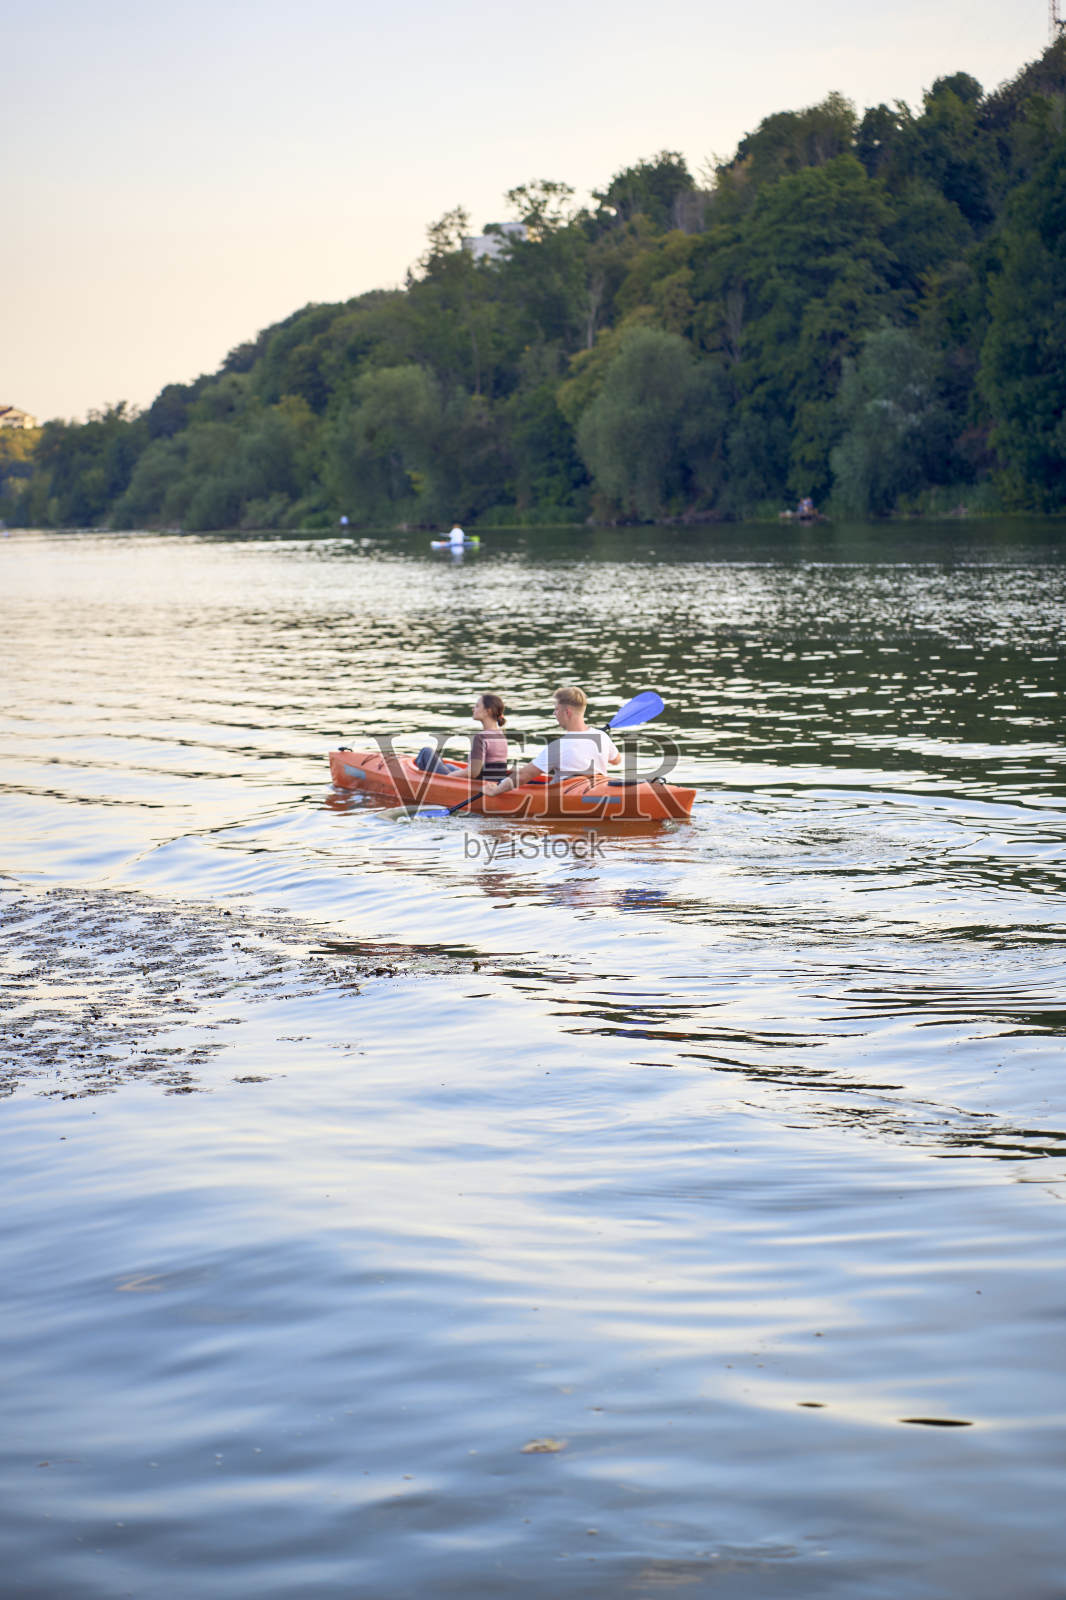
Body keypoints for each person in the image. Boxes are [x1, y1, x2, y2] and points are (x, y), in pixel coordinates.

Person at [490, 686, 620, 795]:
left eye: (556, 709)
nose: (554, 713)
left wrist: (496, 790)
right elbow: (616, 760)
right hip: (594, 789)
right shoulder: (602, 736)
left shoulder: (559, 746)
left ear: (567, 712)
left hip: (568, 796)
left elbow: (524, 775)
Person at [414, 693, 509, 780]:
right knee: (449, 765)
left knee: (426, 752)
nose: (473, 709)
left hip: (476, 784)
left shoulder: (481, 737)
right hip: (488, 780)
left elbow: (473, 772)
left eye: (477, 706)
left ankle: (421, 781)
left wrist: (448, 777)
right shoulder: (501, 735)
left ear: (487, 711)